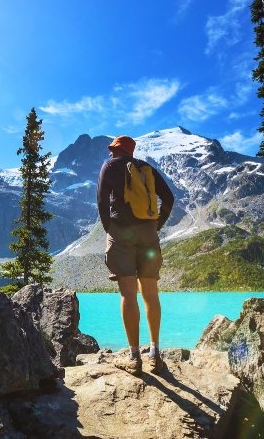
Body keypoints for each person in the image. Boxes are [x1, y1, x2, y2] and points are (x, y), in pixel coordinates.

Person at [97, 135, 174, 375]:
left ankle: (133, 357)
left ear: (117, 150)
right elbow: (169, 198)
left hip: (122, 236)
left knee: (128, 294)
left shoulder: (109, 166)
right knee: (150, 294)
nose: (110, 153)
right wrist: (156, 225)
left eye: (113, 149)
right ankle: (155, 354)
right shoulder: (146, 168)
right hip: (148, 235)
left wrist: (110, 228)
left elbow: (101, 199)